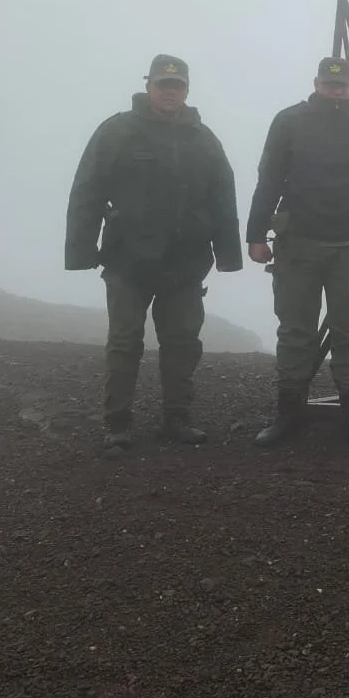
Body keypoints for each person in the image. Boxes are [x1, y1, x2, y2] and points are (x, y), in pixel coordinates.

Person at [65, 54, 244, 452]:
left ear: (186, 90)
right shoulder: (117, 132)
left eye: (177, 85)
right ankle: (117, 424)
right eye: (164, 84)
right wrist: (81, 250)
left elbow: (223, 198)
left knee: (182, 341)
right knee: (125, 340)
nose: (170, 92)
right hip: (128, 259)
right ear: (148, 86)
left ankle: (177, 418)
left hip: (186, 261)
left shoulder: (204, 139)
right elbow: (87, 190)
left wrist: (229, 255)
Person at [245, 56, 349, 449]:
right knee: (295, 330)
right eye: (330, 83)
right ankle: (287, 414)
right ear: (316, 83)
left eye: (343, 84)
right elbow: (270, 179)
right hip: (299, 243)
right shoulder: (289, 121)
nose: (336, 89)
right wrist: (256, 234)